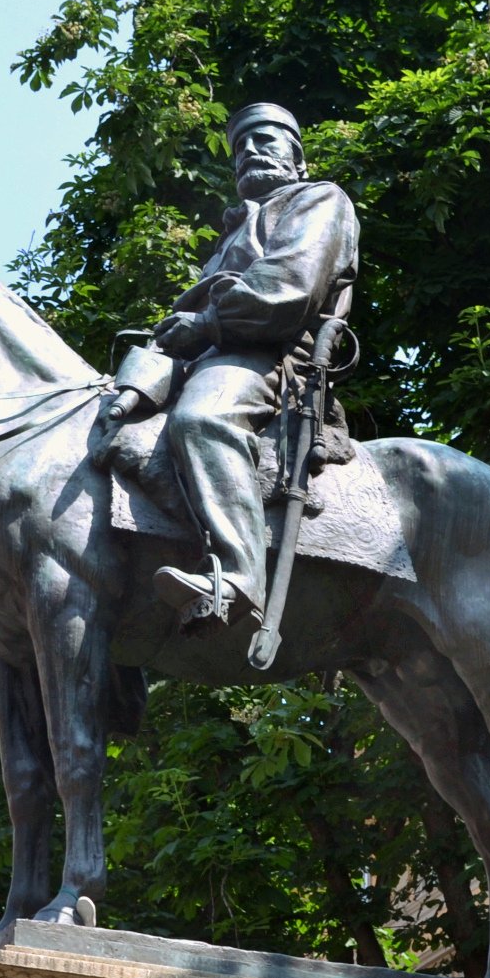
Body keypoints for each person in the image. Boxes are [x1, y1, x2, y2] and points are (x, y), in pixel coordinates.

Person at [122, 102, 360, 627]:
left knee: (203, 420)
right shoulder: (231, 235)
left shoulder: (318, 199)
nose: (249, 152)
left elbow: (288, 288)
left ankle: (238, 576)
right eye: (239, 149)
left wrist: (207, 323)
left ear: (297, 159)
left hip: (272, 357)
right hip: (212, 353)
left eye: (265, 141)